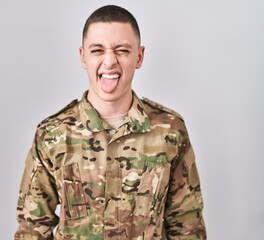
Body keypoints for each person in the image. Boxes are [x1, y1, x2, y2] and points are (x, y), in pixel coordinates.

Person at [14, 5, 206, 240]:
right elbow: (32, 229)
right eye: (97, 50)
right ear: (83, 56)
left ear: (139, 56)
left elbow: (187, 226)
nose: (109, 61)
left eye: (122, 50)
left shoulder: (170, 131)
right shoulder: (53, 134)